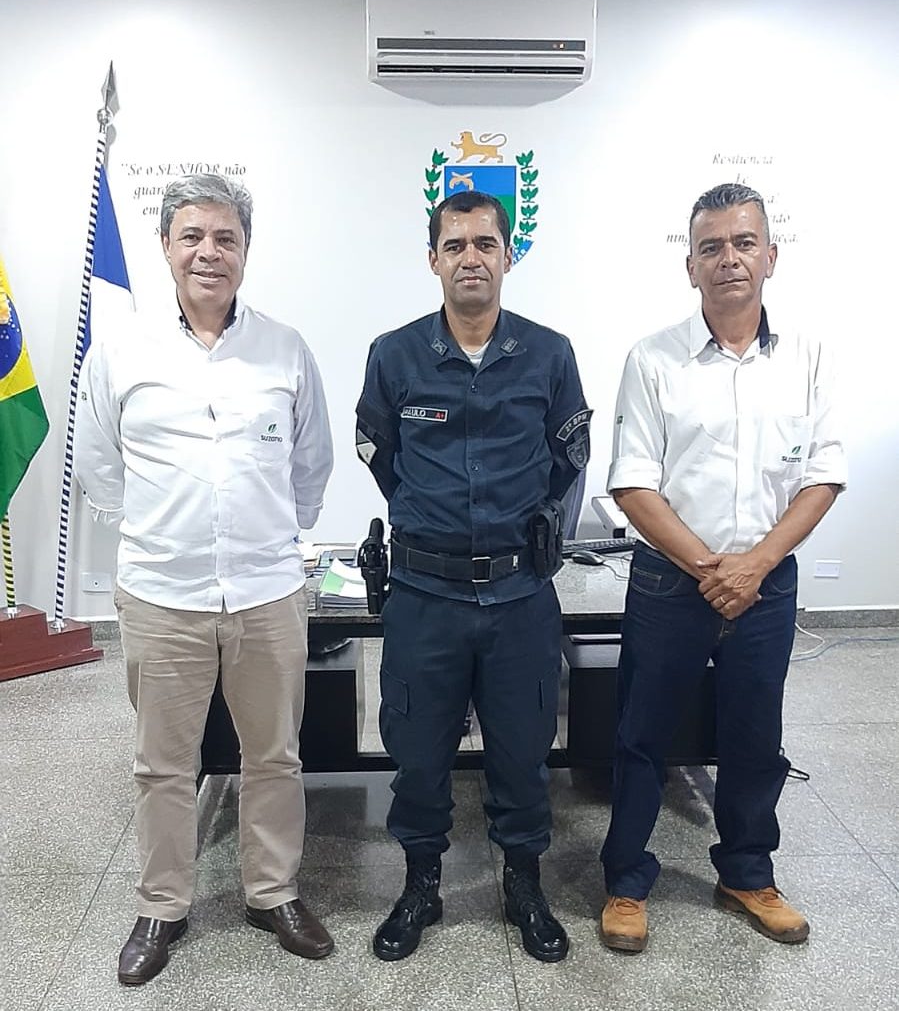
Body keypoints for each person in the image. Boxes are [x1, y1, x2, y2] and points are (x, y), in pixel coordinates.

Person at [74, 174, 335, 985]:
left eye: (225, 238)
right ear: (166, 247)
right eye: (191, 236)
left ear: (245, 251)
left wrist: (267, 533)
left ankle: (272, 892)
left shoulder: (284, 348)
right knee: (162, 764)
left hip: (266, 591)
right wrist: (165, 532)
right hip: (162, 594)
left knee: (275, 755)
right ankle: (162, 905)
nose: (208, 253)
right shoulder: (121, 351)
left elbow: (311, 462)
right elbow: (99, 464)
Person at [599, 183, 847, 953]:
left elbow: (822, 476)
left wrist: (755, 566)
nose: (728, 259)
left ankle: (746, 872)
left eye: (743, 243)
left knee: (753, 735)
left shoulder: (806, 356)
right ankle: (625, 880)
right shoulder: (652, 359)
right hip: (670, 580)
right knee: (641, 734)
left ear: (770, 256)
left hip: (766, 584)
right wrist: (712, 568)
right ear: (690, 266)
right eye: (710, 247)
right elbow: (631, 482)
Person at [355, 190, 591, 963]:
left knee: (522, 751)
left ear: (507, 256)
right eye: (454, 245)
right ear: (433, 259)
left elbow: (568, 460)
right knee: (418, 753)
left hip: (519, 596)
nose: (470, 259)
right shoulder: (394, 355)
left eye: (484, 244)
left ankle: (522, 882)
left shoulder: (549, 354)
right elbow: (381, 456)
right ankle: (420, 884)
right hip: (425, 596)